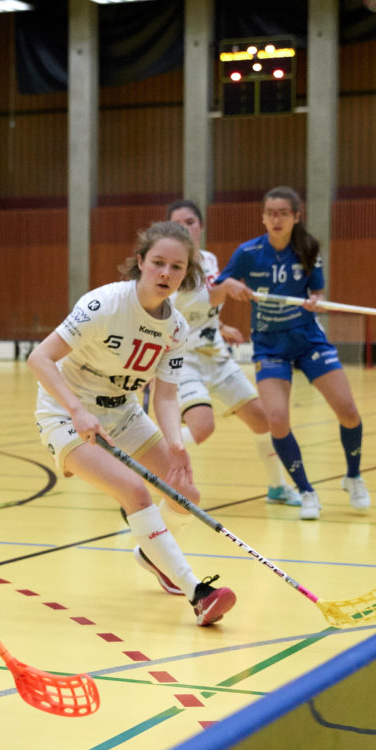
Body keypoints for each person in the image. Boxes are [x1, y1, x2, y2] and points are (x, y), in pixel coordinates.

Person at [26, 221, 237, 626]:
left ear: (186, 273)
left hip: (122, 411)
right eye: (158, 263)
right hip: (65, 413)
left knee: (185, 491)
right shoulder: (104, 304)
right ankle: (197, 591)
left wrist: (176, 442)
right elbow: (40, 358)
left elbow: (166, 395)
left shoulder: (176, 328)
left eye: (177, 268)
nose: (165, 274)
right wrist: (75, 408)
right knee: (134, 491)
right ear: (140, 262)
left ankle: (151, 553)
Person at [214, 186, 368, 521]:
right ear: (263, 217)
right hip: (270, 345)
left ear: (296, 216)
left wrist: (317, 300)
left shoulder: (308, 248)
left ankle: (353, 476)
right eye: (270, 212)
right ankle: (306, 491)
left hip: (309, 340)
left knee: (349, 412)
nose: (276, 219)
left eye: (283, 212)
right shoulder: (248, 252)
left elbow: (318, 290)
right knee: (278, 420)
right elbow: (216, 290)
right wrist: (231, 287)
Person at [164, 200, 300, 507]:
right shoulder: (170, 267)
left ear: (200, 227)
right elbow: (174, 310)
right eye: (177, 223)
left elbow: (202, 308)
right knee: (202, 428)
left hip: (217, 355)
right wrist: (225, 289)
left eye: (190, 222)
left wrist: (220, 324)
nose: (184, 228)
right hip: (184, 360)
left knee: (263, 420)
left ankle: (277, 488)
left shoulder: (210, 260)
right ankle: (147, 459)